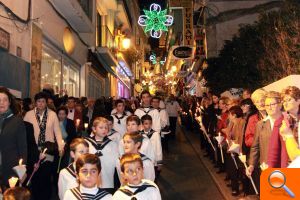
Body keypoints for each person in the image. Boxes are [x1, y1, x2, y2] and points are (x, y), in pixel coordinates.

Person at [24, 92, 64, 200]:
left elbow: (58, 132)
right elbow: (24, 133)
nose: (41, 104)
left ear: (46, 103)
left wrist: (61, 147)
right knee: (34, 177)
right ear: (35, 103)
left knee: (46, 177)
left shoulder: (52, 114)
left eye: (43, 101)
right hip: (34, 150)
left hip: (48, 150)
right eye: (38, 101)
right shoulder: (28, 115)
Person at [0, 87, 27, 190]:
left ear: (9, 102)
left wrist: (22, 169)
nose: (1, 103)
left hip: (9, 170)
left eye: (5, 100)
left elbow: (23, 148)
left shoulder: (17, 122)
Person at [84, 117, 118, 193]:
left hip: (107, 182)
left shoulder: (113, 144)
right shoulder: (86, 143)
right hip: (89, 181)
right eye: (101, 127)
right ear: (94, 129)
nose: (104, 130)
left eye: (106, 128)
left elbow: (117, 163)